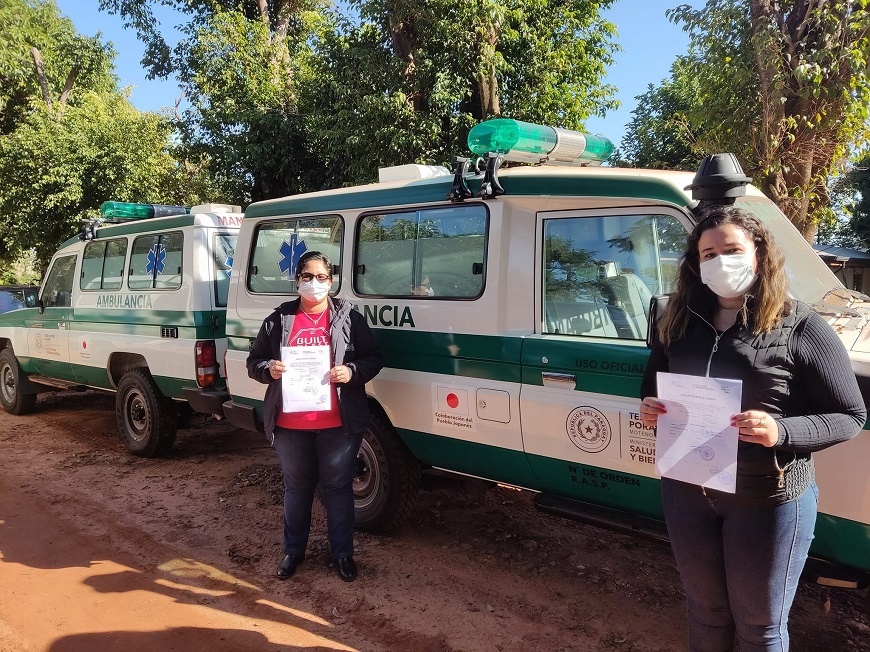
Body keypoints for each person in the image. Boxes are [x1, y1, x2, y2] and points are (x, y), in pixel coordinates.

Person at [639, 206, 865, 651]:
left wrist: (780, 432)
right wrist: (651, 409)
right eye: (707, 254)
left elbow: (850, 416)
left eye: (731, 249)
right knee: (706, 613)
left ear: (759, 254)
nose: (719, 261)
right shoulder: (677, 320)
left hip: (766, 498)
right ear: (695, 262)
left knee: (759, 627)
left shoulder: (799, 324)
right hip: (687, 490)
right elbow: (652, 389)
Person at [247, 251, 383, 582]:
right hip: (291, 426)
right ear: (297, 281)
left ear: (331, 281)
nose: (314, 283)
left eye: (322, 277)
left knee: (338, 489)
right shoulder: (279, 320)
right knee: (298, 489)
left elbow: (374, 357)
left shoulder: (349, 318)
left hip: (339, 425)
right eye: (307, 277)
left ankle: (343, 555)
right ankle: (293, 552)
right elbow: (255, 362)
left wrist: (351, 372)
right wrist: (270, 369)